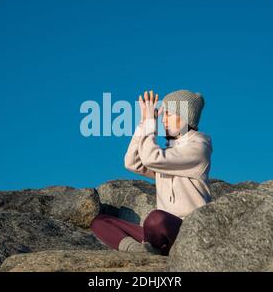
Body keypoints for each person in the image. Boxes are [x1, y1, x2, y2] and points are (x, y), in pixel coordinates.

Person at [90, 89, 213, 255]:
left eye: (169, 114)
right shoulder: (169, 152)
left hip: (188, 231)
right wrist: (143, 124)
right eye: (163, 115)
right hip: (159, 234)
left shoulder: (198, 149)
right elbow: (132, 163)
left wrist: (150, 124)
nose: (164, 120)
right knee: (100, 221)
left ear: (185, 118)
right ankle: (140, 251)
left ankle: (152, 247)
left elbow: (151, 158)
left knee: (156, 219)